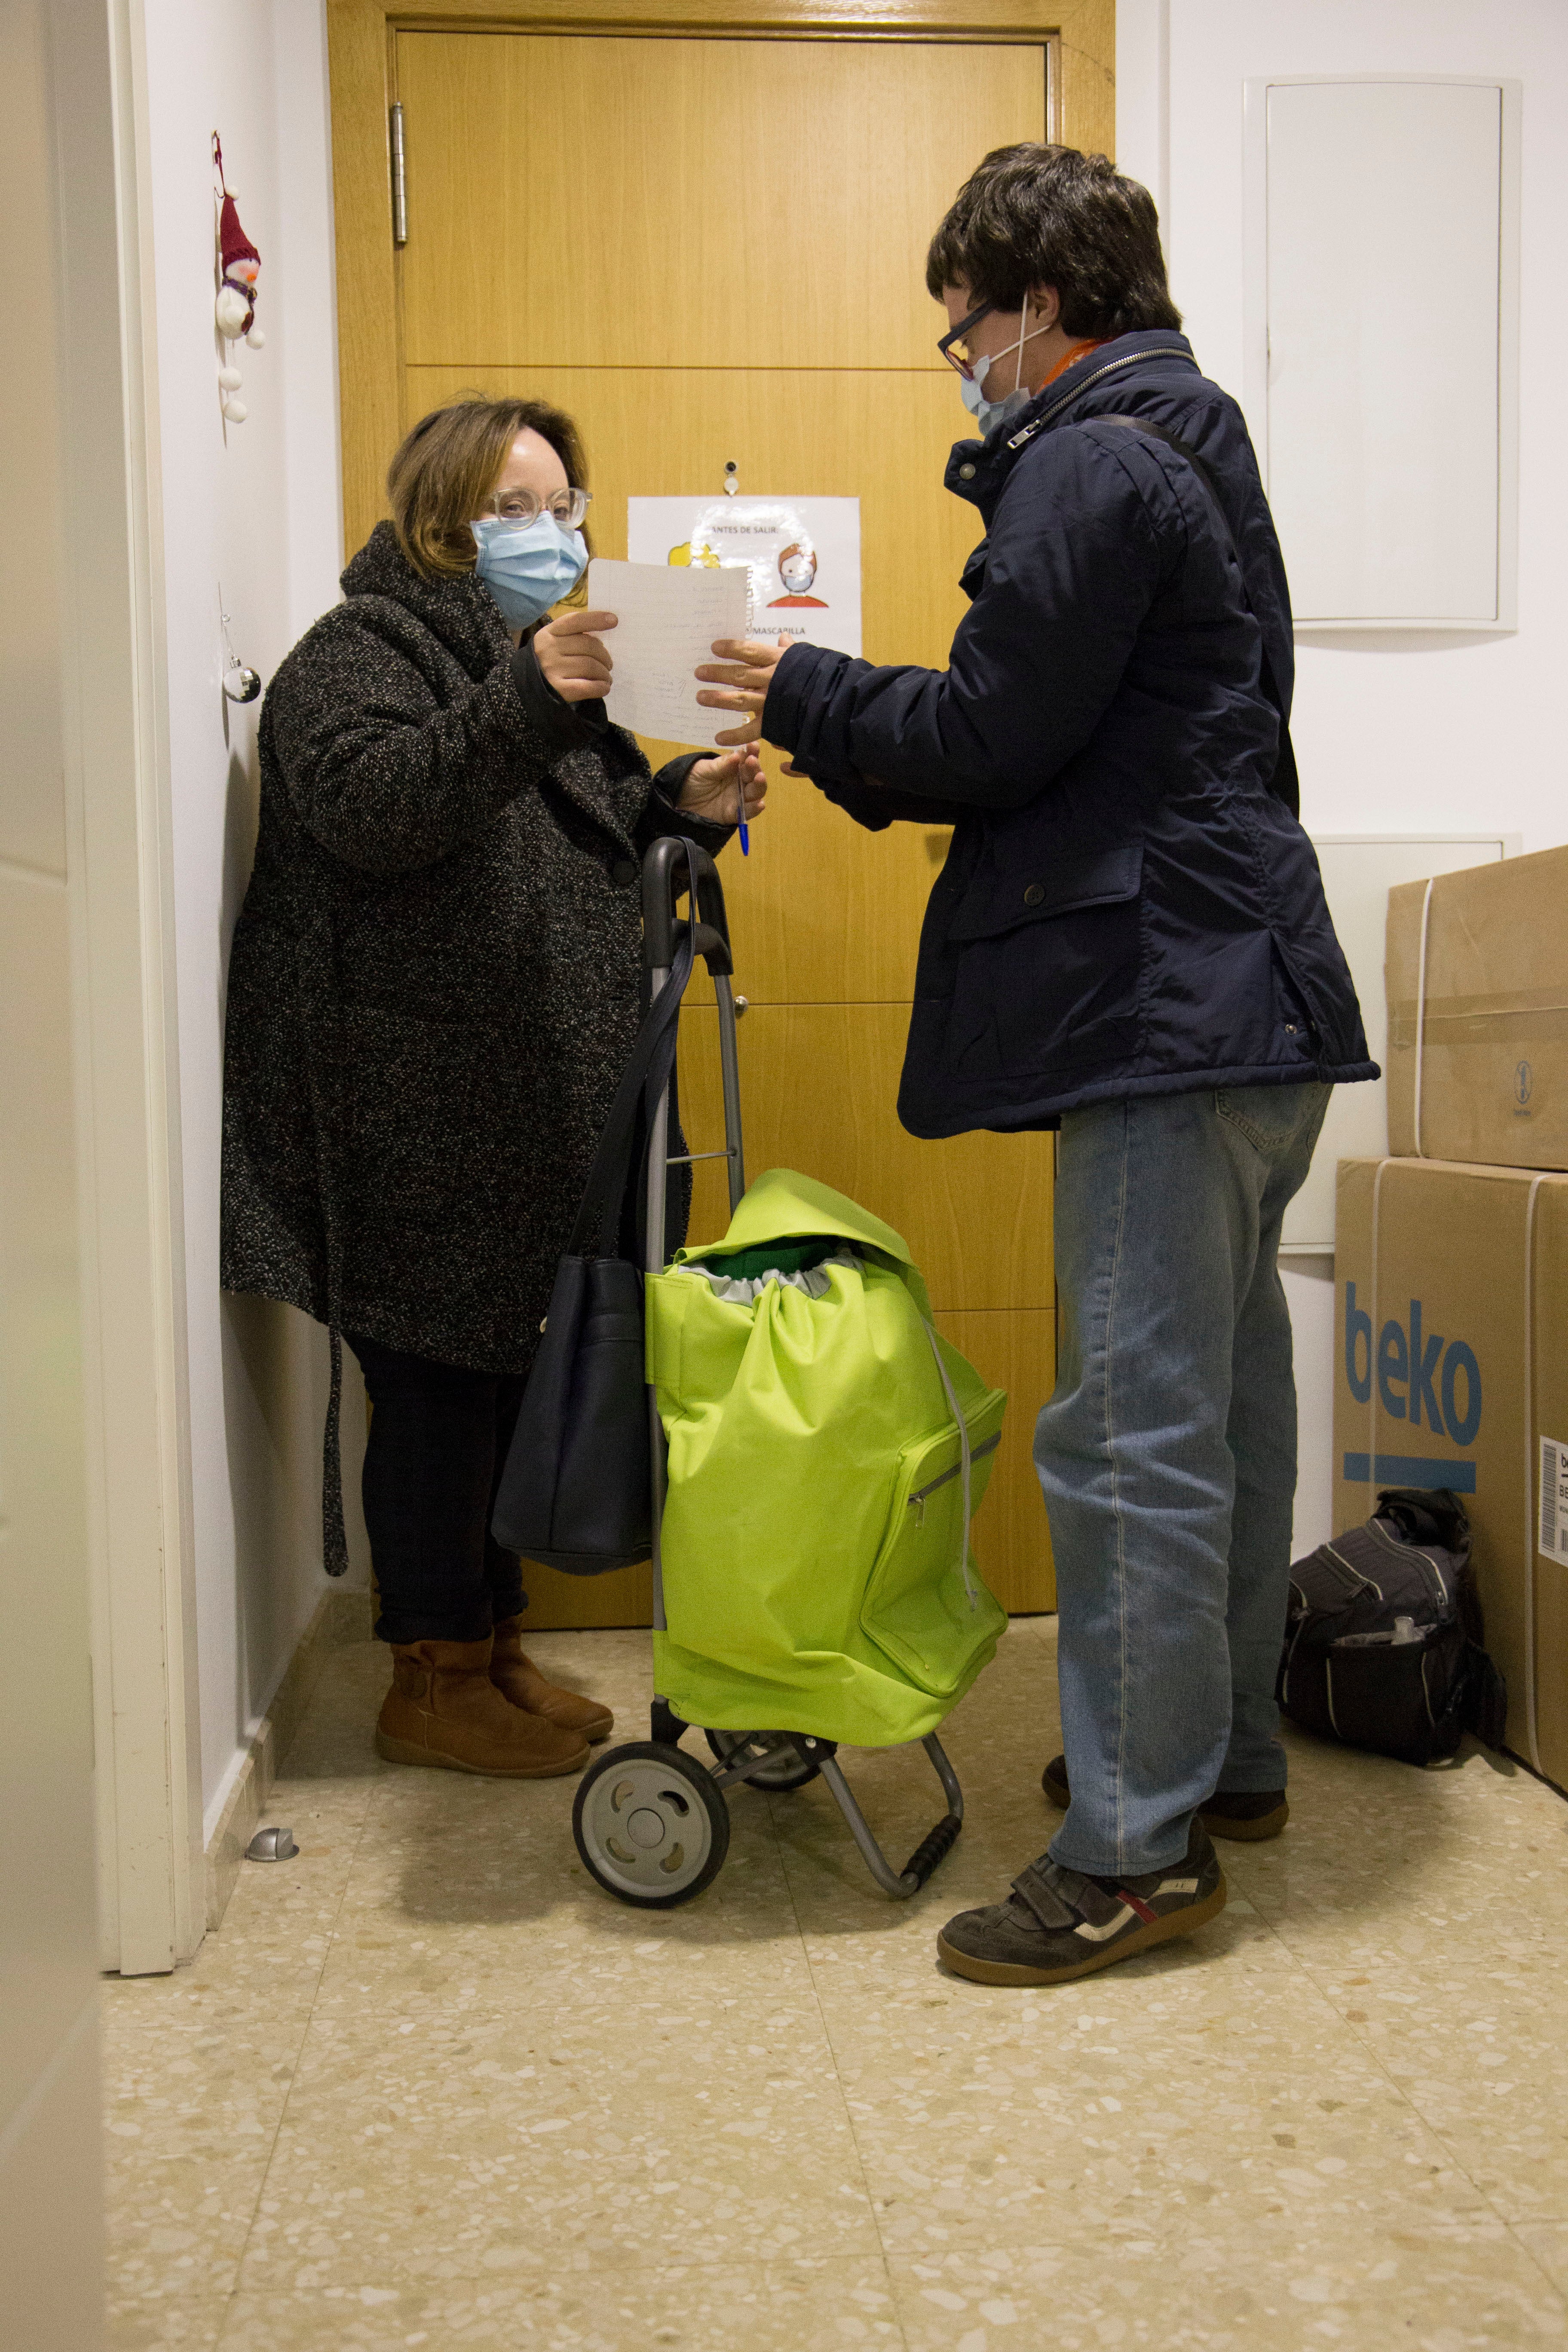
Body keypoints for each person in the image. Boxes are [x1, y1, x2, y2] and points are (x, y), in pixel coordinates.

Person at [695, 145, 1374, 1986]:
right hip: (1250, 1005)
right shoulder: (1196, 443)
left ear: (1042, 311)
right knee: (1221, 1412)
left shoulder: (1093, 456)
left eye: (963, 326)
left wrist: (797, 689)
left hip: (1169, 1011)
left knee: (1132, 1432)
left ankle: (1136, 1855)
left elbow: (993, 731)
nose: (959, 357)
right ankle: (1218, 1759)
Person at [222, 396, 763, 1781]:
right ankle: (430, 1672)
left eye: (563, 505)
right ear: (442, 517)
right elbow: (378, 805)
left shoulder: (545, 663)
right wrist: (536, 694)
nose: (550, 531)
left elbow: (590, 833)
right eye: (516, 508)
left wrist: (685, 806)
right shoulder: (358, 652)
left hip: (519, 1093)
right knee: (437, 1385)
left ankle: (497, 1642)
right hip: (406, 1094)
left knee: (510, 1371)